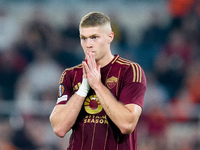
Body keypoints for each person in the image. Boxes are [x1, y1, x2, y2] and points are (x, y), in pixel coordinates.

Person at [49, 12, 147, 150]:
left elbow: (127, 125)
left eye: (94, 37)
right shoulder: (70, 75)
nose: (88, 44)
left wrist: (97, 86)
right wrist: (83, 88)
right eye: (84, 38)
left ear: (110, 37)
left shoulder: (130, 71)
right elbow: (59, 128)